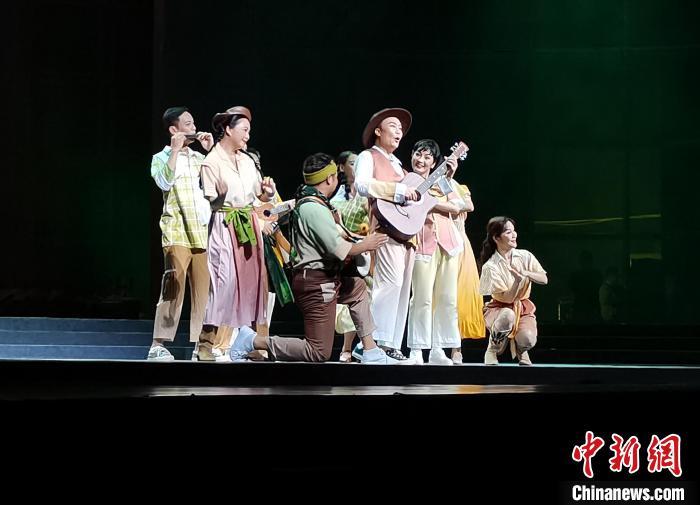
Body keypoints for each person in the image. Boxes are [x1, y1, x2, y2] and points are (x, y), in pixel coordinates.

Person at [227, 153, 407, 364]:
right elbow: (338, 249)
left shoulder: (315, 203)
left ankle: (370, 350)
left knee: (357, 288)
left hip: (327, 277)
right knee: (318, 352)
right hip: (316, 282)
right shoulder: (312, 208)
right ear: (329, 178)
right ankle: (253, 341)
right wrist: (366, 245)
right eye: (335, 175)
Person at [194, 106, 276, 361]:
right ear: (228, 129)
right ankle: (206, 343)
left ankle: (250, 344)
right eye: (244, 130)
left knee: (251, 284)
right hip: (224, 222)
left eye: (249, 131)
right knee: (224, 283)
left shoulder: (248, 160)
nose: (247, 136)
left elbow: (257, 195)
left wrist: (267, 193)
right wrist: (219, 197)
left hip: (248, 223)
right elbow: (213, 202)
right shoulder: (211, 162)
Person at [147, 107, 214, 361]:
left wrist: (211, 152)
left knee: (204, 292)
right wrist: (175, 151)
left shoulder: (199, 158)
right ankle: (158, 345)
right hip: (176, 230)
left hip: (202, 230)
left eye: (194, 123)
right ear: (174, 129)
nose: (193, 127)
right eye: (188, 124)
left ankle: (201, 346)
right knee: (173, 286)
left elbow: (216, 185)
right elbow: (164, 182)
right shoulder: (161, 157)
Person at [353, 108, 419, 362]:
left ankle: (391, 344)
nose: (398, 131)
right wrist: (398, 190)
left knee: (401, 289)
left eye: (401, 128)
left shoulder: (399, 164)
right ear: (378, 131)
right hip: (384, 229)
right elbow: (361, 184)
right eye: (393, 126)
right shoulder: (368, 156)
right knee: (388, 285)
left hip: (406, 233)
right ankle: (372, 344)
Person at [406, 139, 464, 365]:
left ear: (434, 162)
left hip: (448, 245)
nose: (421, 160)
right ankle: (416, 349)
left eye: (427, 157)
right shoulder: (406, 181)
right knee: (421, 298)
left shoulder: (443, 181)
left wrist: (430, 201)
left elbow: (458, 206)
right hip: (422, 244)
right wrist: (431, 203)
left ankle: (439, 348)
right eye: (418, 154)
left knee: (447, 298)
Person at [479, 217, 548, 365]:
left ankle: (521, 349)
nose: (514, 235)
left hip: (522, 307)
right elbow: (508, 299)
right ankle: (493, 348)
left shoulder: (525, 256)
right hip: (500, 309)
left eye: (514, 231)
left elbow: (544, 279)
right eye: (508, 232)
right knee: (507, 315)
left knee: (528, 339)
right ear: (496, 238)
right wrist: (517, 281)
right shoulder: (490, 266)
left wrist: (527, 273)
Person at [453, 182, 485, 363]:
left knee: (461, 295)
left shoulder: (459, 187)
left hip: (458, 243)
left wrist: (442, 204)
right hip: (436, 243)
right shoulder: (430, 186)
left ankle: (456, 348)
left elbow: (468, 206)